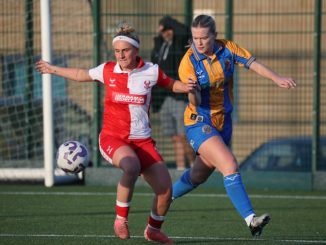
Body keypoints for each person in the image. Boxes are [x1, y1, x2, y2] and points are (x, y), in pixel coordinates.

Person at [36, 21, 197, 244]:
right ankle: (121, 220)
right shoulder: (107, 70)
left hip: (142, 141)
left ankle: (153, 230)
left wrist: (186, 86)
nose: (120, 55)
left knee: (165, 191)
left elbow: (171, 84)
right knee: (131, 165)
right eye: (117, 51)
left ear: (136, 50)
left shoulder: (151, 71)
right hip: (113, 138)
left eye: (125, 50)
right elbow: (81, 74)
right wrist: (53, 69)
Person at [172, 15, 296, 237]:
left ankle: (165, 195)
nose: (199, 43)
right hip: (199, 122)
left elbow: (253, 64)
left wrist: (276, 78)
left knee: (198, 175)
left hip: (223, 122)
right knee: (229, 164)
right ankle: (251, 220)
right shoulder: (188, 63)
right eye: (195, 38)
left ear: (214, 36)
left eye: (204, 37)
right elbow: (195, 102)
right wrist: (192, 91)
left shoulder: (227, 49)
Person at [151, 16, 195, 170]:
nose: (166, 33)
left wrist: (168, 21)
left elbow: (185, 31)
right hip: (163, 97)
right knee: (174, 137)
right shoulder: (160, 46)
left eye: (168, 29)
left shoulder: (179, 43)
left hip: (178, 96)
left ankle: (194, 164)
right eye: (163, 30)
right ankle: (180, 168)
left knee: (183, 136)